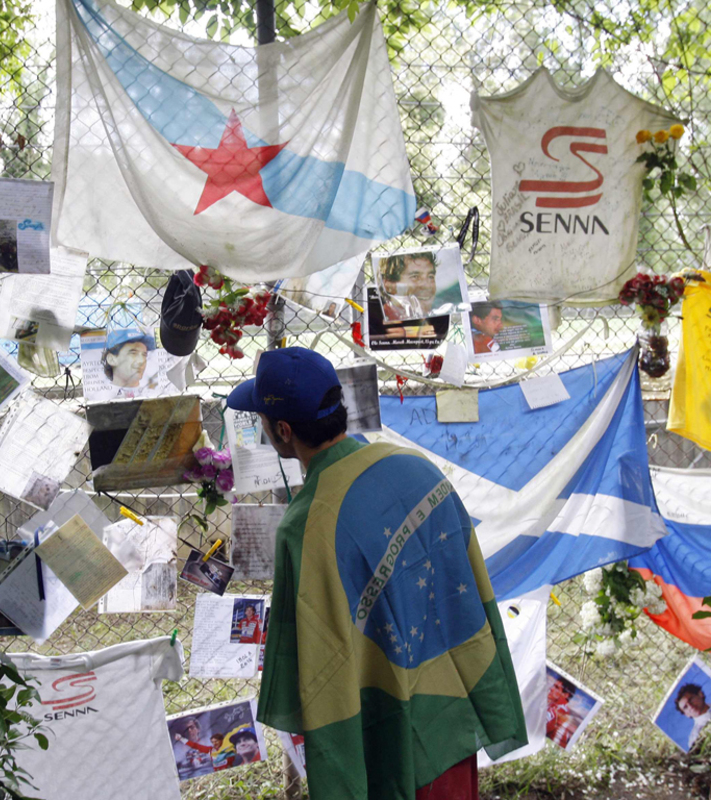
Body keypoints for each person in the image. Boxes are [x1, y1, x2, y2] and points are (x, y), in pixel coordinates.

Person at [233, 348, 526, 800]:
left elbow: (314, 653)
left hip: (381, 731)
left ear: (283, 432)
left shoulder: (304, 524)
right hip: (450, 711)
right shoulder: (417, 467)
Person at [378, 252, 438, 321]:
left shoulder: (438, 321)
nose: (427, 286)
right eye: (415, 277)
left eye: (430, 277)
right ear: (389, 285)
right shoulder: (375, 324)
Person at [675, 683, 711, 748]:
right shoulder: (695, 737)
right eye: (685, 707)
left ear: (700, 694)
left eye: (690, 699)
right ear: (686, 714)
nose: (690, 706)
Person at [546, 675, 578, 748]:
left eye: (556, 687)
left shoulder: (558, 710)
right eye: (553, 686)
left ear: (565, 695)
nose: (551, 688)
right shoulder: (556, 707)